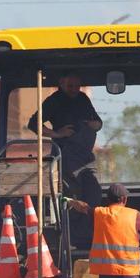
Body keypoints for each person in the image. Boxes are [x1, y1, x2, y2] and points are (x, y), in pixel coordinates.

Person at [27, 73, 105, 206]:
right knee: (72, 195)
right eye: (70, 86)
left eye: (77, 86)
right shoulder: (54, 101)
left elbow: (98, 122)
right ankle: (73, 224)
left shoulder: (83, 98)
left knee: (94, 193)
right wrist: (56, 134)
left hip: (86, 156)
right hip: (65, 155)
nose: (74, 89)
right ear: (62, 83)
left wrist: (94, 125)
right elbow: (33, 124)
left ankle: (92, 223)